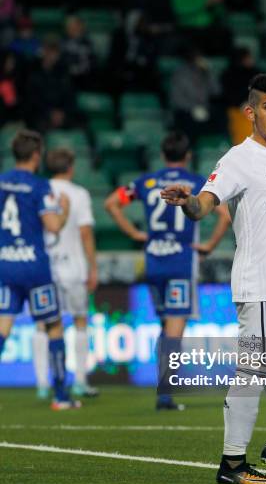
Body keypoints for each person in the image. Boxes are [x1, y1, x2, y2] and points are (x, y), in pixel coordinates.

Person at [161, 74, 266, 484]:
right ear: (250, 113)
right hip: (261, 288)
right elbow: (207, 202)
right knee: (253, 372)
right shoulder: (238, 159)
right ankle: (232, 464)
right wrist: (188, 202)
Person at [105, 131, 230, 410]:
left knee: (165, 327)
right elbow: (225, 215)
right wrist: (209, 245)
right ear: (187, 156)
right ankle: (165, 394)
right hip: (180, 262)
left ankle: (163, 386)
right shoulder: (198, 183)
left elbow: (111, 203)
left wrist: (135, 233)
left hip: (153, 262)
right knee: (175, 329)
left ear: (163, 155)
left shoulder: (146, 182)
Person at [0, 130, 80, 410]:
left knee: (3, 326)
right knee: (54, 325)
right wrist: (65, 211)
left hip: (6, 265)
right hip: (34, 267)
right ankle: (60, 396)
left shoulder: (1, 182)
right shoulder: (39, 186)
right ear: (36, 155)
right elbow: (54, 226)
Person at [32, 147, 99, 399]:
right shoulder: (79, 194)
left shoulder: (39, 189)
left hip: (45, 266)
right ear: (71, 167)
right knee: (80, 320)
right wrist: (93, 267)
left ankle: (41, 384)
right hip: (73, 266)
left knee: (42, 323)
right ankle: (80, 381)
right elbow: (85, 233)